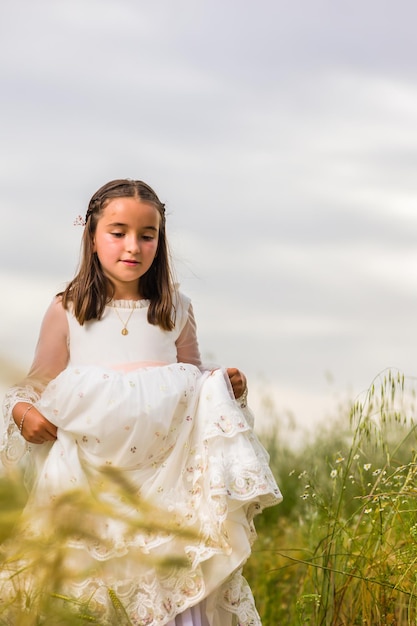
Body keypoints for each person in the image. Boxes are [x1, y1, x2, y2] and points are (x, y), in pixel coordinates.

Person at [1, 179, 282, 625]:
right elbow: (31, 386)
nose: (133, 246)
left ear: (159, 241)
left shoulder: (175, 309)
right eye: (118, 232)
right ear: (92, 236)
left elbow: (192, 379)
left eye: (146, 235)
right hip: (87, 480)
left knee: (167, 577)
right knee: (90, 583)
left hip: (167, 485)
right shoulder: (68, 309)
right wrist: (23, 413)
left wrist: (224, 386)